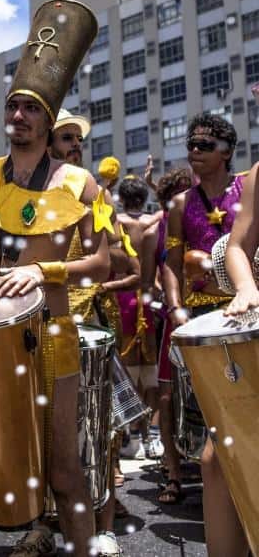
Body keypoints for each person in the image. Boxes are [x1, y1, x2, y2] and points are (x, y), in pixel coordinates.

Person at [0, 0, 109, 557]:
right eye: (13, 106)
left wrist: (42, 269)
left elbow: (103, 265)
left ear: (49, 119)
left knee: (63, 469)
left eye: (31, 108)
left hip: (54, 337)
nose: (19, 117)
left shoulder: (80, 183)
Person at [162, 112, 244, 557]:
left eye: (205, 145)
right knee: (210, 425)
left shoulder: (249, 190)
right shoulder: (179, 205)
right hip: (202, 323)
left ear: (227, 151)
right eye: (191, 143)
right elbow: (170, 266)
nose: (194, 150)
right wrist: (176, 309)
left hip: (248, 316)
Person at [51, 113, 123, 557]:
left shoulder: (94, 192)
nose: (76, 145)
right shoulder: (28, 192)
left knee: (99, 432)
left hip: (90, 323)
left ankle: (106, 525)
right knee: (49, 436)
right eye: (67, 138)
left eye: (78, 139)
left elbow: (109, 253)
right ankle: (46, 525)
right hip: (44, 325)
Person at [139, 167, 192, 505]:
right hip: (174, 320)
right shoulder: (152, 231)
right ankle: (173, 473)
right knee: (166, 397)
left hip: (213, 314)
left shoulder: (206, 215)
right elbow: (145, 283)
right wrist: (166, 304)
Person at [106, 177, 159, 460]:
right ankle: (151, 435)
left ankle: (132, 435)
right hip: (147, 297)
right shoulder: (152, 222)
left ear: (122, 199)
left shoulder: (119, 223)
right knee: (149, 370)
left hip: (122, 296)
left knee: (125, 370)